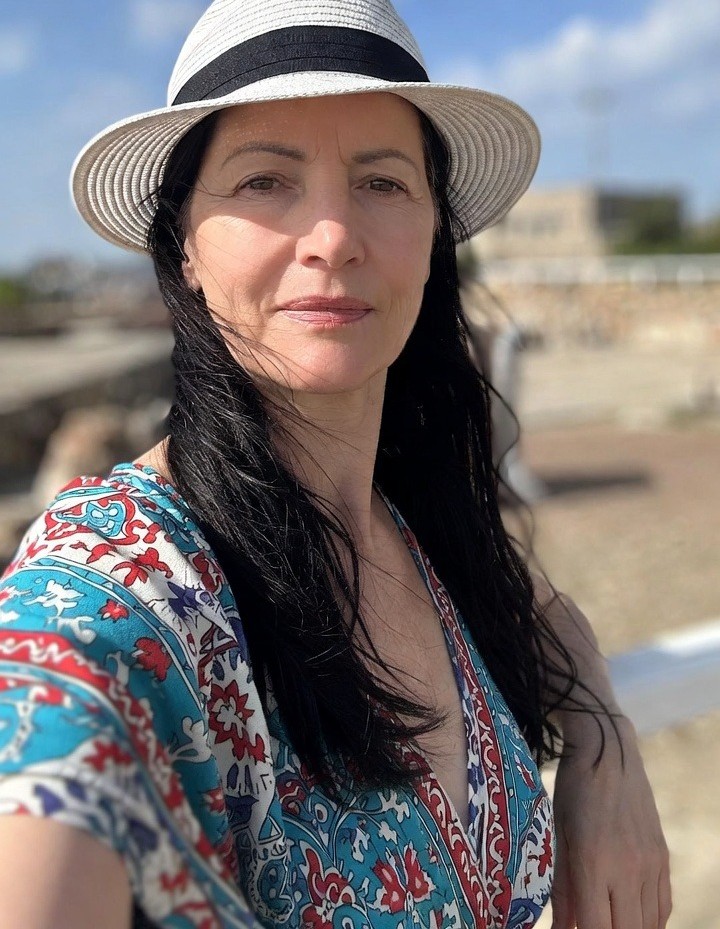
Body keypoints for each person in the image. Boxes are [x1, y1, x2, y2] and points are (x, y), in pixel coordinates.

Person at [0, 1, 670, 927]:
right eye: (265, 180)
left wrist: (601, 736)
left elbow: (539, 608)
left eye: (382, 182)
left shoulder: (415, 522)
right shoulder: (124, 578)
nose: (332, 235)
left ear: (434, 234)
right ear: (184, 242)